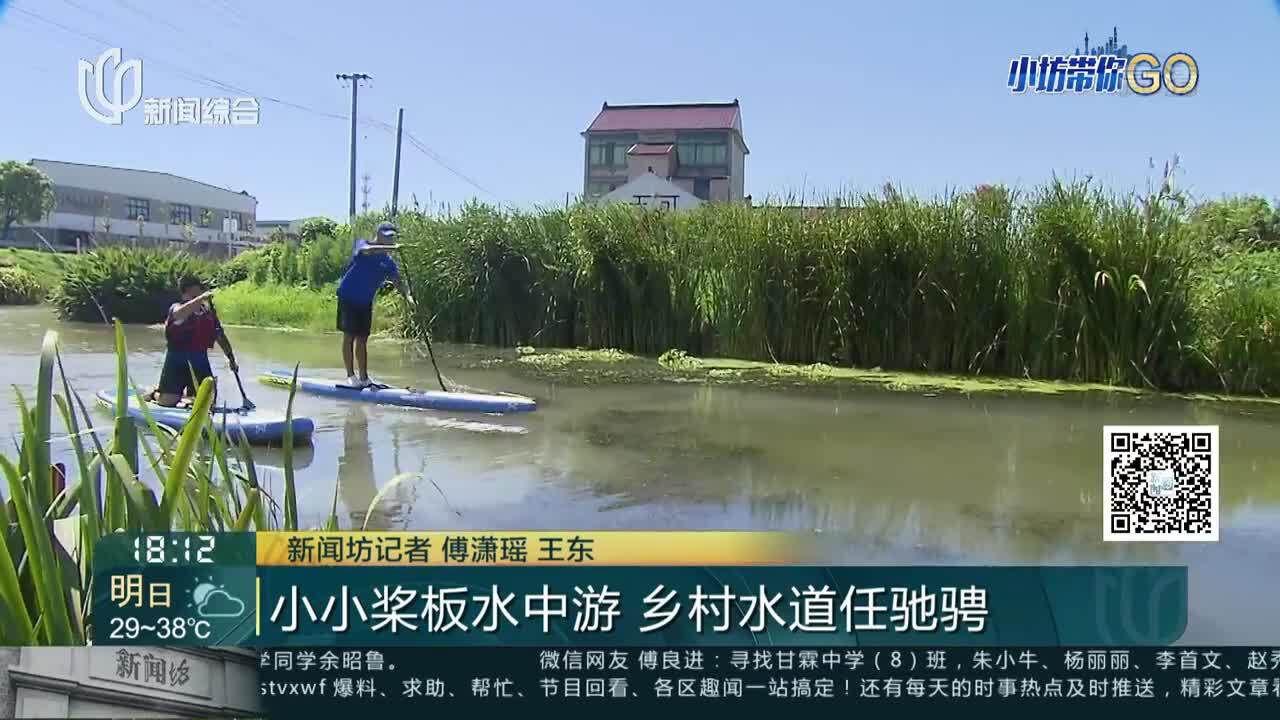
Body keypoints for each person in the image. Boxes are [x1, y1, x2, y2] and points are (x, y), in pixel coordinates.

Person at [336, 221, 413, 388]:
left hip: (365, 301)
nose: (390, 240)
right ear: (378, 235)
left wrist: (408, 297)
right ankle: (350, 376)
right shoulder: (363, 244)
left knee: (362, 339)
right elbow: (366, 251)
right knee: (349, 336)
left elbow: (398, 282)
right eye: (386, 237)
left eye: (392, 237)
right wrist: (392, 249)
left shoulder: (388, 262)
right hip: (348, 295)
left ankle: (364, 378)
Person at [153, 276, 238, 407]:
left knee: (208, 404)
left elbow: (220, 336)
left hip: (200, 360)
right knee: (167, 402)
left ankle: (187, 397)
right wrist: (200, 299)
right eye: (198, 288)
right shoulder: (176, 307)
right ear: (188, 290)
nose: (202, 290)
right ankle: (156, 394)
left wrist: (231, 358)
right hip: (177, 361)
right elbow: (178, 315)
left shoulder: (208, 312)